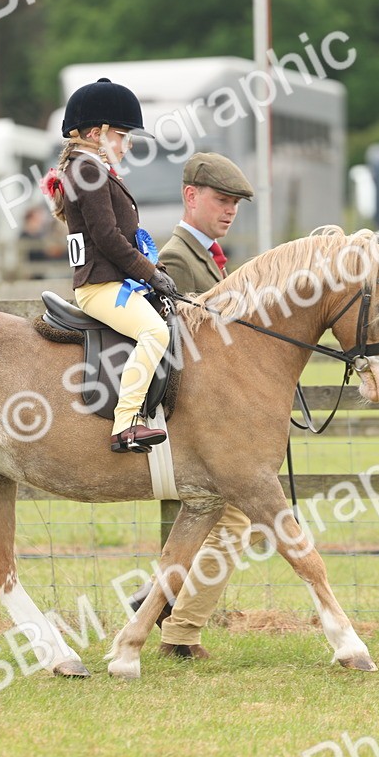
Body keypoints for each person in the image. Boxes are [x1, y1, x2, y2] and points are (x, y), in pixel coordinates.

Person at [133, 152, 260, 660]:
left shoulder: (206, 256)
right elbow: (181, 348)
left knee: (231, 521)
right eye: (221, 200)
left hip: (211, 422)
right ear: (191, 197)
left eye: (235, 204)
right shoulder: (178, 259)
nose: (230, 211)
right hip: (195, 424)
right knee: (234, 521)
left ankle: (170, 616)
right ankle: (177, 627)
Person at [45, 78, 179, 453]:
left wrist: (153, 271)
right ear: (96, 133)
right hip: (101, 286)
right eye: (122, 135)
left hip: (114, 282)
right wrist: (150, 273)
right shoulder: (88, 171)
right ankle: (126, 424)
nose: (128, 144)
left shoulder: (90, 169)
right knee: (155, 333)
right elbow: (107, 237)